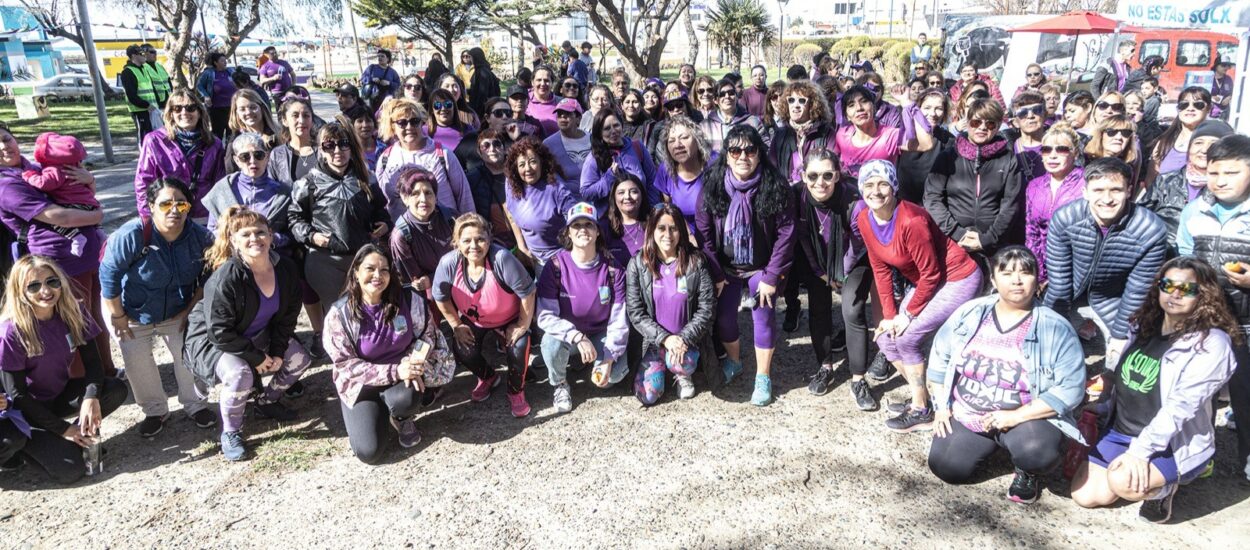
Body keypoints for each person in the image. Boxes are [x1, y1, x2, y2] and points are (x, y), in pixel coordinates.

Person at [1070, 257, 1239, 523]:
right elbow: (1122, 379)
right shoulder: (1144, 324)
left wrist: (1140, 452)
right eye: (1167, 285)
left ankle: (1165, 488)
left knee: (1121, 481)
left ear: (1204, 294)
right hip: (1122, 431)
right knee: (1085, 495)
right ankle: (1137, 472)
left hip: (1172, 442)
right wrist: (1100, 407)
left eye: (1186, 288)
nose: (1174, 294)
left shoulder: (1212, 344)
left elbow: (1180, 407)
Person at [926, 246, 1086, 504]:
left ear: (1038, 281)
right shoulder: (970, 313)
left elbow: (1071, 389)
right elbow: (939, 358)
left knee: (1038, 452)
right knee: (946, 466)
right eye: (1007, 272)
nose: (1017, 280)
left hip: (1025, 417)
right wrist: (941, 407)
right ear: (993, 280)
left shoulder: (1055, 328)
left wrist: (1014, 416)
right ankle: (989, 445)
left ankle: (1026, 468)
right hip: (970, 410)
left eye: (1026, 272)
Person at [855, 160, 983, 431]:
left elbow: (933, 274)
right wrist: (890, 316)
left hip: (957, 278)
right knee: (886, 339)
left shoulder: (911, 220)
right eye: (868, 185)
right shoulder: (864, 220)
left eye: (882, 184)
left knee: (908, 337)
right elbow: (880, 269)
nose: (875, 191)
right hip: (928, 282)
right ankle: (922, 397)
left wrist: (909, 314)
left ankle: (920, 410)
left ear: (894, 187)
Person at [183, 207, 311, 461]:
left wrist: (275, 351)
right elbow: (219, 331)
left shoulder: (285, 268)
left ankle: (266, 402)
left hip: (257, 332)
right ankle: (231, 431)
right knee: (240, 374)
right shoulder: (227, 277)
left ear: (271, 236)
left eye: (260, 232)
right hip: (214, 341)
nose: (255, 239)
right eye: (246, 234)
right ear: (234, 241)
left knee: (300, 359)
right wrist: (257, 358)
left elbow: (287, 317)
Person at [100, 178, 214, 437]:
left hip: (178, 308)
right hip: (129, 309)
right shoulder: (132, 234)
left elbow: (209, 273)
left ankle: (196, 404)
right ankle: (155, 411)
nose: (174, 210)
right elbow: (109, 274)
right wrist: (117, 315)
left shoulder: (200, 237)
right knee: (136, 360)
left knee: (188, 352)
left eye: (181, 204)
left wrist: (189, 311)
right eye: (165, 204)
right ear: (151, 206)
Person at [0, 255, 128, 483]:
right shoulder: (12, 331)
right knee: (71, 471)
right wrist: (63, 430)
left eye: (52, 281)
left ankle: (79, 438)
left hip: (56, 397)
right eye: (34, 286)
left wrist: (90, 398)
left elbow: (94, 366)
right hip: (24, 411)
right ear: (21, 292)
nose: (46, 291)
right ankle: (24, 448)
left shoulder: (73, 310)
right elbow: (18, 395)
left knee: (114, 389)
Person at [324, 245, 455, 463]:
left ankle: (401, 417)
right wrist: (396, 370)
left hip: (402, 376)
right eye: (370, 269)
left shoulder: (409, 300)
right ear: (356, 271)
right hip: (362, 385)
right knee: (369, 452)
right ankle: (375, 414)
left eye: (384, 270)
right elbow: (345, 365)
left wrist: (413, 361)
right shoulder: (340, 315)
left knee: (408, 397)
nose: (378, 275)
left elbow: (427, 335)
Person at [695, 125, 797, 407]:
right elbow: (703, 233)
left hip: (761, 268)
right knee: (724, 318)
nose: (743, 156)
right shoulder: (713, 186)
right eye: (736, 150)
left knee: (763, 315)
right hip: (725, 268)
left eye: (750, 150)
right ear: (726, 155)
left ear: (759, 154)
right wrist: (715, 273)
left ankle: (762, 376)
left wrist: (772, 275)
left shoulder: (775, 186)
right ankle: (735, 360)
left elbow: (786, 234)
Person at [0, 124, 112, 378]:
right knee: (73, 324)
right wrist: (97, 215)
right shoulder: (6, 186)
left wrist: (90, 179)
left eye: (7, 138)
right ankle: (83, 382)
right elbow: (59, 216)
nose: (4, 146)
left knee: (94, 316)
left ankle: (107, 371)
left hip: (88, 253)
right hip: (59, 263)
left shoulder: (34, 168)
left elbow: (80, 189)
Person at [1043, 158, 1168, 368]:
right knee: (1047, 344)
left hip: (1115, 300)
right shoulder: (1065, 218)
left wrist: (1120, 337)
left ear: (1129, 190)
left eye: (1116, 190)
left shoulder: (1150, 230)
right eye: (1098, 190)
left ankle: (1110, 392)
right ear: (1085, 192)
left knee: (1122, 358)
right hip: (1072, 295)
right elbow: (1059, 282)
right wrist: (1053, 328)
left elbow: (1137, 290)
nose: (1107, 199)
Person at [1175, 134, 1250, 481]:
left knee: (1245, 392)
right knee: (1196, 390)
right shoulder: (1195, 210)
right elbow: (1184, 256)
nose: (1220, 180)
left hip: (1246, 319)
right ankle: (1196, 455)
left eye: (1232, 173)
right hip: (1205, 317)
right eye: (1214, 172)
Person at [432, 213, 537, 418]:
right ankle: (488, 377)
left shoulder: (502, 259)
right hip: (475, 321)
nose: (474, 246)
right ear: (456, 243)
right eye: (467, 240)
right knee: (462, 348)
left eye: (480, 239)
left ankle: (516, 391)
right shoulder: (448, 264)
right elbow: (440, 297)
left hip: (509, 319)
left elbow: (528, 292)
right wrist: (456, 325)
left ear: (489, 239)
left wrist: (522, 324)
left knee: (519, 346)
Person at [794, 150, 873, 409]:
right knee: (818, 307)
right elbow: (804, 236)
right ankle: (825, 366)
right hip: (819, 259)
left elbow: (859, 243)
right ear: (804, 176)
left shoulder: (853, 201)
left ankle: (859, 379)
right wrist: (820, 271)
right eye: (813, 175)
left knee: (852, 309)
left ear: (837, 176)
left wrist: (841, 272)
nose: (821, 182)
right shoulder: (799, 197)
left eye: (828, 175)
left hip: (854, 258)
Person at [536, 203, 629, 412]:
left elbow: (619, 319)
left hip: (600, 334)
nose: (583, 230)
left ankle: (587, 362)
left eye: (589, 224)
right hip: (570, 338)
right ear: (568, 232)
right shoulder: (555, 266)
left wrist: (609, 357)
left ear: (597, 231)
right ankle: (560, 383)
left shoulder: (613, 269)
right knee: (549, 344)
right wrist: (577, 336)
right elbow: (545, 316)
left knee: (612, 377)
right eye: (576, 225)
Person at [290, 122, 390, 314]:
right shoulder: (307, 183)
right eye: (329, 145)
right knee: (340, 315)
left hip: (363, 259)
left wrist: (385, 224)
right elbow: (294, 218)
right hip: (326, 261)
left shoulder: (367, 178)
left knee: (370, 311)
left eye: (344, 143)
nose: (338, 150)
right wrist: (312, 236)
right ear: (321, 149)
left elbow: (381, 210)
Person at [627, 204, 718, 405]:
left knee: (680, 364)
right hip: (653, 342)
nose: (668, 234)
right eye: (661, 228)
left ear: (681, 231)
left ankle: (681, 375)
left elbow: (707, 309)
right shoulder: (638, 264)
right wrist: (665, 339)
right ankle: (660, 367)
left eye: (674, 228)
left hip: (687, 342)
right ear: (651, 230)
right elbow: (635, 313)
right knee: (647, 396)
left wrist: (684, 338)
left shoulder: (696, 261)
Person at [924, 98, 1025, 259]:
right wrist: (957, 233)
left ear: (998, 126)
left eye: (990, 124)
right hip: (952, 242)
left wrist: (987, 239)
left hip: (993, 244)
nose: (983, 127)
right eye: (976, 122)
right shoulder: (948, 156)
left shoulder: (1008, 159)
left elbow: (1010, 204)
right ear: (968, 122)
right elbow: (932, 198)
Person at [135, 89, 226, 223]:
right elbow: (143, 182)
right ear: (170, 114)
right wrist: (148, 218)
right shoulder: (154, 141)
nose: (184, 113)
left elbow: (220, 183)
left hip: (203, 215)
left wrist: (220, 216)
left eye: (191, 108)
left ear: (199, 112)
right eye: (177, 108)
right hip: (168, 214)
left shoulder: (214, 144)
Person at [1140, 119, 1234, 249]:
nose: (1204, 149)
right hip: (1161, 255)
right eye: (1198, 143)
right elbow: (1140, 216)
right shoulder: (1166, 180)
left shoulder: (1232, 188)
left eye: (1214, 143)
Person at [375, 98, 475, 219]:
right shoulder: (385, 159)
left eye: (415, 121)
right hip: (403, 234)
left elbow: (464, 197)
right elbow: (381, 202)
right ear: (392, 126)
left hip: (444, 231)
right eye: (402, 122)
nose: (409, 127)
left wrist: (469, 227)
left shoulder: (442, 154)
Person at [1023, 123, 1084, 282]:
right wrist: (1039, 274)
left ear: (1075, 153)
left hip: (1077, 269)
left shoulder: (1088, 182)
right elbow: (1032, 232)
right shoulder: (1034, 186)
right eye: (1046, 149)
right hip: (1044, 267)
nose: (1053, 155)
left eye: (1062, 149)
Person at [505, 137, 579, 267]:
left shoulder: (556, 188)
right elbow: (511, 213)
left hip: (561, 259)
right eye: (522, 165)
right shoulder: (511, 184)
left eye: (532, 162)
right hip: (532, 258)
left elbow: (577, 221)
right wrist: (522, 247)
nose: (527, 169)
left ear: (542, 162)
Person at [837, 84, 931, 180]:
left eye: (864, 101)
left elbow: (926, 144)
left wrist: (907, 103)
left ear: (874, 107)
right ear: (847, 116)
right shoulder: (842, 135)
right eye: (851, 105)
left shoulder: (889, 137)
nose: (859, 108)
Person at [389, 166, 455, 292]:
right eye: (415, 194)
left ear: (435, 196)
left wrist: (430, 279)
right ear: (405, 198)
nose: (423, 199)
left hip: (463, 285)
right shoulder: (401, 236)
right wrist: (428, 281)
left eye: (428, 193)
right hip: (433, 296)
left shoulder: (451, 218)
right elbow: (414, 281)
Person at [580, 109, 658, 213]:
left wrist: (652, 210)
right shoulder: (594, 157)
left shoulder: (637, 147)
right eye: (607, 128)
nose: (613, 131)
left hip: (641, 216)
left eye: (616, 125)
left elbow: (652, 181)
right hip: (610, 222)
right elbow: (586, 193)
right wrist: (609, 177)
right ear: (599, 133)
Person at [770, 80, 838, 184]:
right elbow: (771, 169)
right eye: (791, 100)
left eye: (802, 101)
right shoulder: (781, 135)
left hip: (816, 192)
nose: (795, 105)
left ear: (812, 105)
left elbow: (833, 169)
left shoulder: (827, 133)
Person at [654, 116, 714, 232]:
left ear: (698, 140)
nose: (678, 145)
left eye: (684, 138)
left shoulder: (714, 164)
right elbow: (669, 209)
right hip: (687, 241)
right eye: (671, 141)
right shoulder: (665, 170)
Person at [896, 88, 954, 204]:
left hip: (934, 202)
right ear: (918, 109)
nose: (932, 113)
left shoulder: (949, 140)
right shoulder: (904, 134)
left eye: (938, 109)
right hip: (903, 201)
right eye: (927, 108)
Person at [1149, 87, 1213, 183]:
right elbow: (1151, 180)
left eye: (1198, 105)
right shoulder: (1164, 142)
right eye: (1184, 104)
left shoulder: (1216, 143)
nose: (1190, 108)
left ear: (1208, 109)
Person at [223, 89, 281, 173]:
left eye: (253, 107)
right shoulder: (234, 143)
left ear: (261, 108)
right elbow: (231, 173)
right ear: (236, 114)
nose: (248, 112)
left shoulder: (280, 135)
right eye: (242, 109)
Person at [700, 79, 761, 155]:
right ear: (715, 100)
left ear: (736, 97)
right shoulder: (705, 126)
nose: (727, 97)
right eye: (722, 94)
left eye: (731, 93)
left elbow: (764, 149)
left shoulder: (753, 122)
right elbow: (700, 154)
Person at [427, 88, 481, 173]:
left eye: (447, 104)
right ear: (432, 110)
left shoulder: (468, 130)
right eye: (437, 105)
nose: (443, 108)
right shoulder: (424, 132)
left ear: (454, 107)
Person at [541, 98, 591, 187]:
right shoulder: (548, 144)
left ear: (578, 118)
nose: (563, 117)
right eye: (559, 114)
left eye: (568, 113)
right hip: (566, 197)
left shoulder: (593, 139)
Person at [1085, 114, 1141, 184]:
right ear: (1101, 135)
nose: (1119, 137)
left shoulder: (1128, 170)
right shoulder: (1084, 162)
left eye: (1126, 133)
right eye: (1111, 132)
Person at [120, 44, 159, 142]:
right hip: (139, 110)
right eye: (141, 54)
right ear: (133, 56)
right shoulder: (128, 72)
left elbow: (152, 89)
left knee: (154, 135)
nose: (144, 55)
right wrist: (146, 105)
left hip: (152, 109)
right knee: (144, 136)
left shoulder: (144, 69)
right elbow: (131, 95)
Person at [1007, 91, 1049, 182]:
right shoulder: (1007, 149)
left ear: (1045, 115)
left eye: (1037, 110)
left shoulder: (1058, 146)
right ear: (1015, 122)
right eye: (1023, 112)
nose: (1030, 116)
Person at [196, 52, 237, 138]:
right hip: (216, 108)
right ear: (215, 62)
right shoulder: (209, 73)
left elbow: (238, 80)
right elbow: (199, 86)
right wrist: (206, 96)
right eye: (222, 61)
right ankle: (218, 149)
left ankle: (230, 149)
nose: (225, 62)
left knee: (232, 131)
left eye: (225, 60)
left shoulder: (230, 71)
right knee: (218, 133)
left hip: (232, 107)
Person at [360, 49, 401, 113]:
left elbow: (398, 85)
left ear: (388, 59)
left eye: (382, 56)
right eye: (378, 56)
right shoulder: (372, 68)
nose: (379, 58)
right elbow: (363, 79)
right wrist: (371, 79)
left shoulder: (392, 72)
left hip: (387, 100)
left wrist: (389, 83)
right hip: (373, 99)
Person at [466, 47, 501, 118]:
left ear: (475, 57)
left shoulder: (482, 72)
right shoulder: (481, 70)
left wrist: (478, 112)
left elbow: (482, 93)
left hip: (483, 111)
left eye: (470, 57)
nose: (470, 59)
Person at [527, 66, 562, 136]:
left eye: (546, 80)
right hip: (529, 145)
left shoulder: (561, 103)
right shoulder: (524, 99)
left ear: (552, 83)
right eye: (539, 80)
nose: (542, 84)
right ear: (532, 82)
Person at [257, 46, 295, 110]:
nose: (275, 54)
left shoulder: (284, 63)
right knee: (280, 111)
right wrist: (273, 78)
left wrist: (293, 85)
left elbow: (293, 74)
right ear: (267, 55)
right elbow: (262, 80)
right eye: (272, 53)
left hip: (289, 90)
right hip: (277, 93)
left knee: (291, 109)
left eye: (275, 52)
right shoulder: (265, 66)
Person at [142, 44, 172, 108]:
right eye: (152, 52)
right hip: (156, 103)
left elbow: (168, 81)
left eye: (155, 52)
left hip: (168, 101)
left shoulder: (159, 66)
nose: (155, 54)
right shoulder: (143, 67)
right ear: (144, 53)